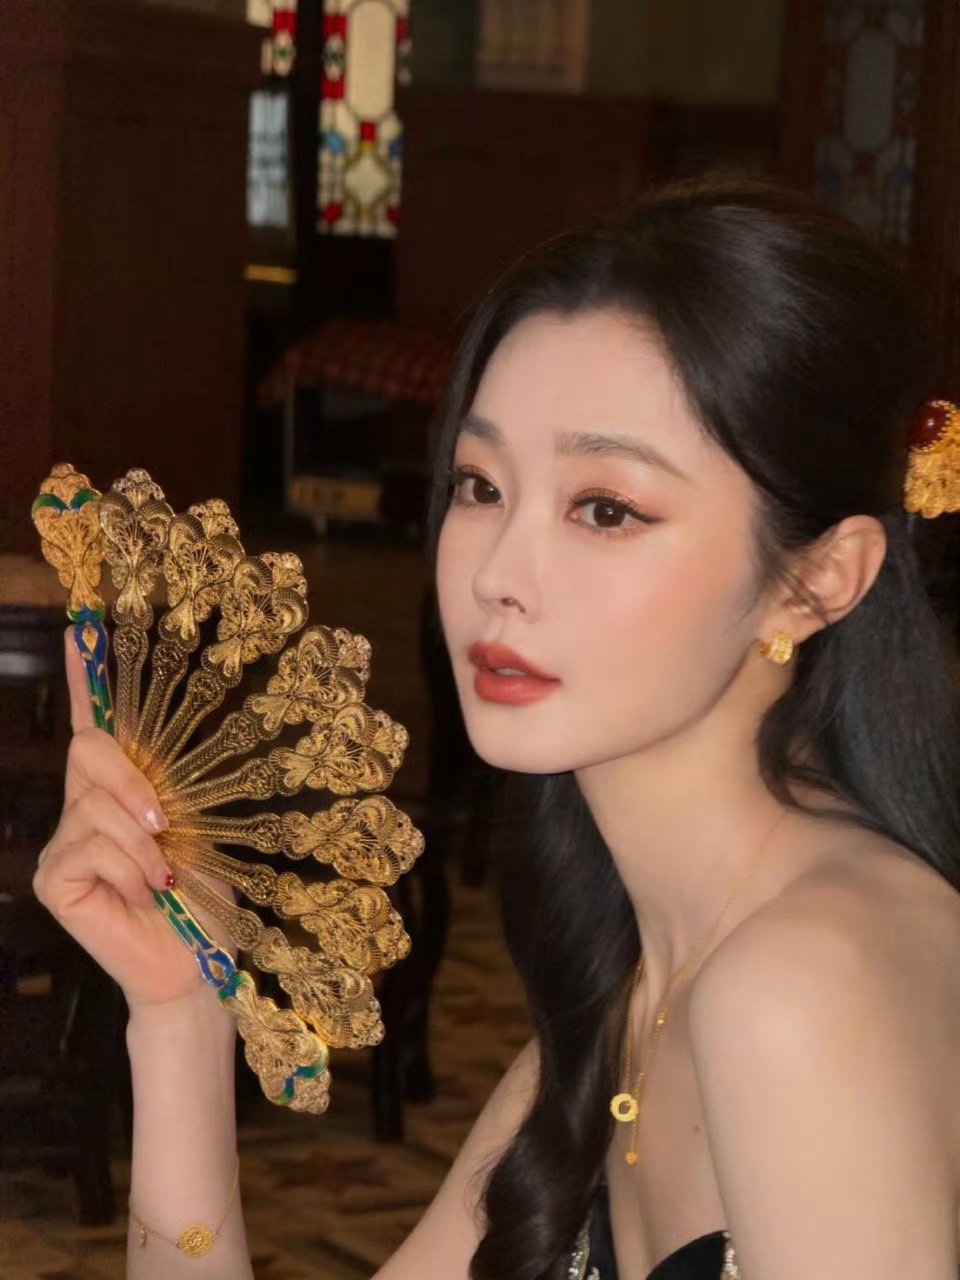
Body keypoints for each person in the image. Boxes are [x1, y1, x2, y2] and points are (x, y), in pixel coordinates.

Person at [32, 175, 960, 1280]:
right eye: (479, 485)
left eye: (605, 507)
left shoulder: (802, 990)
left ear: (817, 580)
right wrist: (182, 1011)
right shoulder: (627, 1008)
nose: (497, 574)